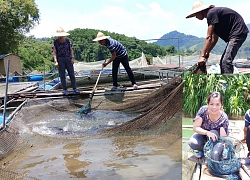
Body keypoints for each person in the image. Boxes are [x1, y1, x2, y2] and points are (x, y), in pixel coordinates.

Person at [186, 1, 249, 74]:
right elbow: (214, 38)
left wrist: (202, 55)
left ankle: (228, 83)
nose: (196, 17)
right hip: (237, 34)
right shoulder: (213, 16)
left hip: (238, 32)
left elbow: (208, 37)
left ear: (201, 11)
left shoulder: (211, 13)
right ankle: (226, 82)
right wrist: (207, 52)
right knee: (223, 62)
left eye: (195, 14)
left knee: (226, 61)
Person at [188, 91, 229, 161]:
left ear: (221, 105)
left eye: (217, 104)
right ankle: (202, 150)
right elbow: (195, 127)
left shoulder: (224, 118)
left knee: (213, 132)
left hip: (216, 139)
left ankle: (211, 151)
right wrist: (207, 133)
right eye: (211, 104)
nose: (214, 107)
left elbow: (223, 138)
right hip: (203, 134)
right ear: (207, 104)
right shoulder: (203, 110)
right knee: (193, 143)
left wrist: (223, 147)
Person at [52, 27, 79, 95]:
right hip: (60, 59)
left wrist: (72, 58)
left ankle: (75, 88)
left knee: (71, 74)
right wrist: (56, 61)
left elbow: (71, 50)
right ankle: (65, 89)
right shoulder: (55, 42)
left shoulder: (68, 41)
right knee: (62, 75)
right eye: (59, 35)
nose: (60, 37)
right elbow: (54, 52)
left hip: (68, 58)